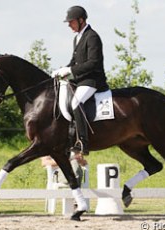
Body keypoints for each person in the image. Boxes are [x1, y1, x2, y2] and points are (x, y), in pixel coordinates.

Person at [52, 6, 109, 156]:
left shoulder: (92, 37)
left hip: (93, 80)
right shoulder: (77, 37)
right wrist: (62, 70)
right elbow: (74, 61)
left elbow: (93, 63)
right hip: (81, 79)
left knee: (76, 102)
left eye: (71, 22)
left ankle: (83, 142)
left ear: (81, 20)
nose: (69, 25)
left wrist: (71, 71)